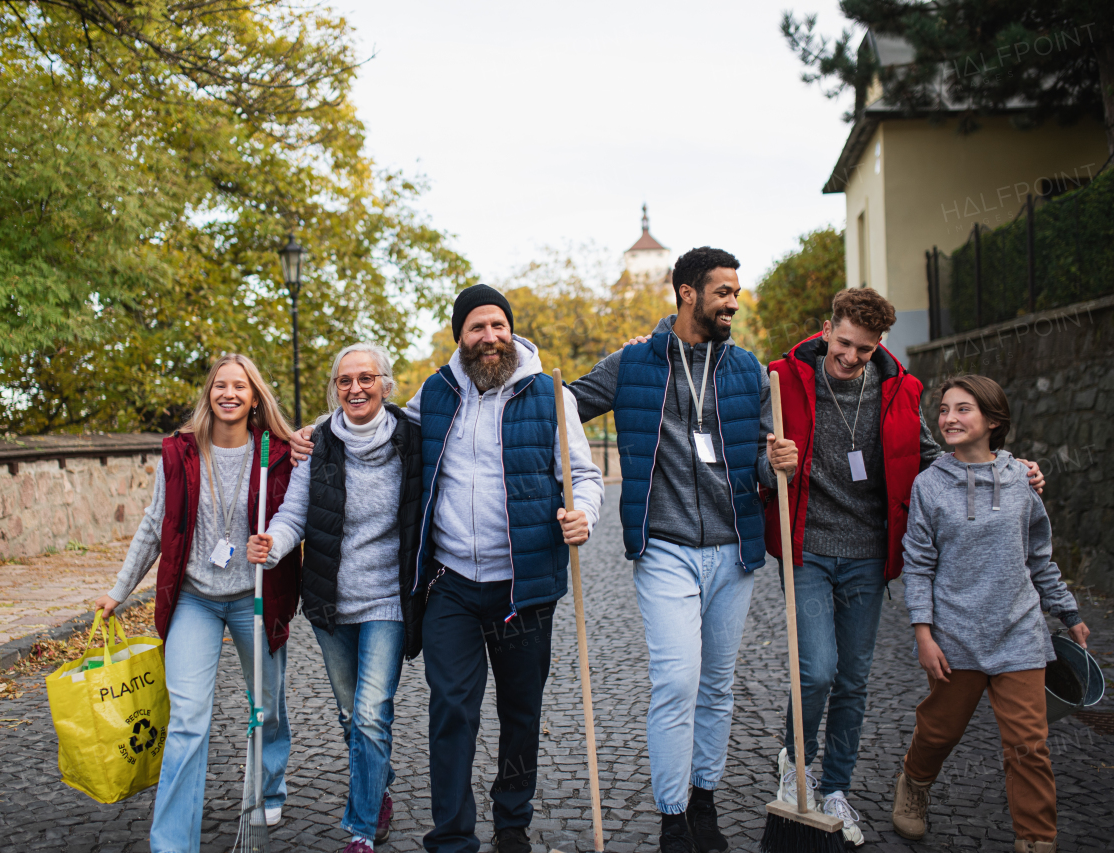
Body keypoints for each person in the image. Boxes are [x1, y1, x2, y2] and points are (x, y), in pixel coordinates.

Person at [290, 283, 604, 853]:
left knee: (520, 712)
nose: (489, 337)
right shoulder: (434, 395)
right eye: (476, 328)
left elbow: (583, 475)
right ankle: (453, 836)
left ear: (511, 331)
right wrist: (313, 433)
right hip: (451, 585)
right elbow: (371, 420)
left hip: (525, 585)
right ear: (459, 336)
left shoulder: (551, 395)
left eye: (497, 326)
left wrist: (584, 512)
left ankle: (511, 824)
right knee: (451, 710)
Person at [763, 289, 1044, 847]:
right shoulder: (782, 378)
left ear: (879, 346)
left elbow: (925, 455)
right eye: (843, 344)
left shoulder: (900, 388)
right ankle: (796, 761)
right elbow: (749, 451)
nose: (850, 357)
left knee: (855, 678)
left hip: (868, 553)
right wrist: (771, 460)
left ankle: (837, 785)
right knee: (817, 669)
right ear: (827, 330)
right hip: (808, 547)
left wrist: (1007, 469)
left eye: (864, 350)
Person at [568, 247, 797, 853]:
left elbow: (759, 460)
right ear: (688, 293)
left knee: (718, 684)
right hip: (664, 547)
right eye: (724, 291)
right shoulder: (634, 363)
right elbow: (562, 404)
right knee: (677, 680)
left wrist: (779, 466)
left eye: (736, 292)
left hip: (734, 549)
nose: (734, 302)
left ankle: (704, 799)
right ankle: (671, 815)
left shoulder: (748, 371)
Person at [96, 354, 301, 853]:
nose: (229, 394)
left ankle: (268, 787)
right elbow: (154, 526)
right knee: (188, 718)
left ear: (255, 397)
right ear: (209, 394)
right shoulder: (182, 453)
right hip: (195, 599)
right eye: (220, 385)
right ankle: (172, 842)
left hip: (255, 596)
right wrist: (118, 591)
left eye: (240, 386)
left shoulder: (276, 453)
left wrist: (273, 544)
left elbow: (297, 516)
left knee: (266, 706)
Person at [892, 374, 1088, 853]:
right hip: (954, 636)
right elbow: (917, 565)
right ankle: (914, 784)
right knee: (939, 732)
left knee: (1029, 745)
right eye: (944, 409)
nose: (948, 418)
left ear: (993, 421)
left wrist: (1067, 611)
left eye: (963, 409)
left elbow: (1038, 555)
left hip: (1020, 632)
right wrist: (923, 634)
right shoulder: (929, 486)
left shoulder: (1022, 479)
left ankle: (1036, 838)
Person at [247, 343, 423, 853]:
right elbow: (293, 512)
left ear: (385, 385)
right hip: (329, 601)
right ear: (335, 388)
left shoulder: (411, 439)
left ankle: (361, 830)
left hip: (387, 600)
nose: (356, 388)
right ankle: (378, 786)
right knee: (350, 717)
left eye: (366, 378)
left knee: (371, 713)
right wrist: (274, 543)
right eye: (345, 381)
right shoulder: (318, 442)